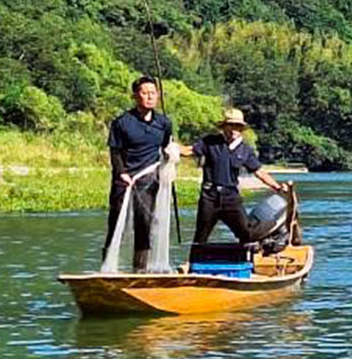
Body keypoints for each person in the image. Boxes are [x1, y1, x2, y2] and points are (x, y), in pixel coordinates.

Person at [184, 108, 287, 245]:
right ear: (224, 127)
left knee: (247, 234)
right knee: (200, 238)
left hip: (231, 198)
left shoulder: (245, 150)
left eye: (237, 126)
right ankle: (195, 258)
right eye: (230, 125)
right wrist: (170, 148)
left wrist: (277, 187)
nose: (233, 130)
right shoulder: (210, 142)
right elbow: (189, 150)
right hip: (209, 197)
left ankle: (275, 230)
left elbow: (259, 172)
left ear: (241, 129)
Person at [104, 76, 176, 272]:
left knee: (144, 223)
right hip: (125, 179)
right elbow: (115, 151)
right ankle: (108, 266)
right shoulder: (122, 122)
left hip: (149, 179)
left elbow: (166, 146)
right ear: (135, 96)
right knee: (116, 222)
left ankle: (140, 269)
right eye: (145, 93)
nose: (150, 97)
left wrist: (170, 155)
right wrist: (122, 173)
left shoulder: (164, 123)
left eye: (153, 93)